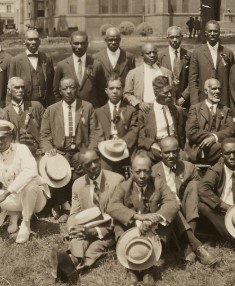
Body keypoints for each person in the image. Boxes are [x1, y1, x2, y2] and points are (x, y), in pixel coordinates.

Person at [106, 154, 180, 284]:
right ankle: (131, 269)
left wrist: (153, 220)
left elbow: (173, 203)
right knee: (118, 221)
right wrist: (136, 216)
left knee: (168, 219)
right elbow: (112, 206)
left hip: (152, 229)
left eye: (145, 171)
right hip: (129, 228)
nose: (142, 176)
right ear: (131, 171)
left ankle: (148, 269)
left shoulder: (158, 183)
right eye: (138, 171)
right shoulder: (123, 186)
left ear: (151, 171)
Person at [40, 78, 103, 222]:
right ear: (60, 91)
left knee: (79, 171)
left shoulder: (87, 107)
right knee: (59, 170)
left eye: (72, 87)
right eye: (65, 88)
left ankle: (78, 204)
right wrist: (49, 150)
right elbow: (44, 135)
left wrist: (90, 152)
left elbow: (96, 132)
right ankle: (65, 205)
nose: (69, 91)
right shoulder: (52, 110)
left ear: (77, 88)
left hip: (81, 150)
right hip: (59, 151)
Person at [56, 149, 123, 281]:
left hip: (108, 230)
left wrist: (95, 231)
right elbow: (74, 213)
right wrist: (73, 229)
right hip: (85, 228)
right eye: (88, 164)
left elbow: (118, 217)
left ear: (100, 159)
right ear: (81, 167)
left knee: (95, 247)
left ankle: (73, 268)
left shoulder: (117, 181)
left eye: (96, 161)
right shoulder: (78, 184)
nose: (93, 166)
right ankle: (72, 261)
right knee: (78, 239)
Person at [150, 136, 216, 264]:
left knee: (195, 185)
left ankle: (187, 245)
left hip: (187, 213)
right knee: (171, 203)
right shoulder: (153, 172)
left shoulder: (188, 167)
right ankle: (195, 245)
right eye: (166, 152)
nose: (171, 156)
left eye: (174, 151)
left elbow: (199, 193)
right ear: (160, 153)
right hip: (166, 218)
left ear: (179, 151)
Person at [0, 120, 47, 243]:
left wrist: (7, 192)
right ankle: (13, 215)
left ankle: (26, 224)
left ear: (10, 136)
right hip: (13, 199)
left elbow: (30, 171)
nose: (0, 141)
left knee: (30, 184)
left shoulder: (21, 149)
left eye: (3, 138)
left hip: (35, 198)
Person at [126, 76, 185, 163]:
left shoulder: (176, 110)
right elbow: (140, 137)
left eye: (170, 91)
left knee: (185, 157)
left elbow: (181, 135)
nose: (169, 95)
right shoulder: (145, 112)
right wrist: (153, 144)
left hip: (172, 146)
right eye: (165, 93)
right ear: (156, 93)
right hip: (154, 147)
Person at [185, 79, 235, 165]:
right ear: (205, 91)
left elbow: (231, 130)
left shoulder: (226, 110)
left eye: (219, 89)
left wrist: (214, 138)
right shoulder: (195, 109)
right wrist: (211, 137)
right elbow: (191, 132)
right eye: (214, 89)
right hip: (199, 148)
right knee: (229, 150)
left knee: (226, 155)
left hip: (219, 149)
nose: (218, 91)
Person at [94, 73, 135, 173]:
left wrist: (123, 143)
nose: (115, 91)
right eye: (111, 88)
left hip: (125, 148)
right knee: (104, 167)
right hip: (106, 150)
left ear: (122, 90)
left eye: (118, 88)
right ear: (106, 91)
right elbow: (96, 132)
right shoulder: (98, 112)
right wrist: (106, 146)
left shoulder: (131, 110)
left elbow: (134, 130)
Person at [188, 21, 235, 107]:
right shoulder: (197, 53)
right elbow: (193, 81)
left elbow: (232, 82)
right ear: (205, 33)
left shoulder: (228, 53)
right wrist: (195, 104)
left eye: (215, 31)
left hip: (223, 102)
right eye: (210, 31)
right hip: (203, 101)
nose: (212, 34)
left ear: (219, 32)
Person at [123, 43, 175, 113]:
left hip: (164, 110)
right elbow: (127, 94)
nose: (152, 55)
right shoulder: (133, 73)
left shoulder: (166, 72)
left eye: (154, 52)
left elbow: (172, 94)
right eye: (148, 53)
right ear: (142, 55)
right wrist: (138, 103)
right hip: (143, 112)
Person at [8, 30, 54, 106]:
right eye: (30, 39)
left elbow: (52, 85)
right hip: (24, 104)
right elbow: (10, 87)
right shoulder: (16, 60)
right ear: (24, 41)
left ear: (39, 41)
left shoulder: (47, 58)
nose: (33, 42)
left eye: (36, 39)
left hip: (45, 104)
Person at [0, 77, 44, 155]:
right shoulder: (4, 112)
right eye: (17, 87)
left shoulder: (37, 106)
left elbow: (47, 130)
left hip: (38, 150)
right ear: (9, 90)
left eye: (22, 87)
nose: (20, 90)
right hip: (16, 152)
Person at [93, 27, 135, 107]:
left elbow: (132, 80)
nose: (113, 42)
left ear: (120, 40)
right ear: (105, 40)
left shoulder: (129, 57)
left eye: (116, 40)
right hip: (102, 101)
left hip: (124, 101)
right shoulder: (96, 57)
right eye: (110, 40)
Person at [54, 31, 96, 106]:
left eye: (82, 43)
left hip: (90, 109)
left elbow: (101, 90)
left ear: (87, 44)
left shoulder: (96, 64)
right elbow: (56, 91)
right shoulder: (62, 65)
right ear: (71, 43)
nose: (79, 47)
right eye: (76, 43)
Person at [160, 26, 191, 109]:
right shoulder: (160, 56)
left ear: (181, 37)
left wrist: (184, 97)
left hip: (185, 101)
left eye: (177, 37)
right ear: (167, 38)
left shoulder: (189, 55)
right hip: (165, 100)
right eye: (172, 37)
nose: (174, 40)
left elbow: (193, 79)